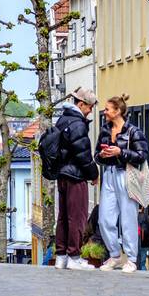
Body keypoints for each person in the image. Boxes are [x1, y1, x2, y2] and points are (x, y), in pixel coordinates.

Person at [95, 94, 147, 272]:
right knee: (104, 219)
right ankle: (115, 255)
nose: (104, 112)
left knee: (128, 218)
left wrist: (120, 152)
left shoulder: (133, 131)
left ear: (117, 111)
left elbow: (141, 156)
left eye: (107, 109)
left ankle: (131, 258)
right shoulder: (104, 130)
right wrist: (101, 156)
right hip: (109, 175)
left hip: (126, 174)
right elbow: (96, 154)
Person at [53, 87, 100, 270]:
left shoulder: (62, 119)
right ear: (81, 104)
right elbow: (83, 154)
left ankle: (61, 256)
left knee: (63, 217)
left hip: (62, 174)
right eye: (89, 107)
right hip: (75, 176)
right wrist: (94, 174)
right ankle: (74, 256)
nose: (90, 111)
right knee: (77, 217)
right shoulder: (77, 124)